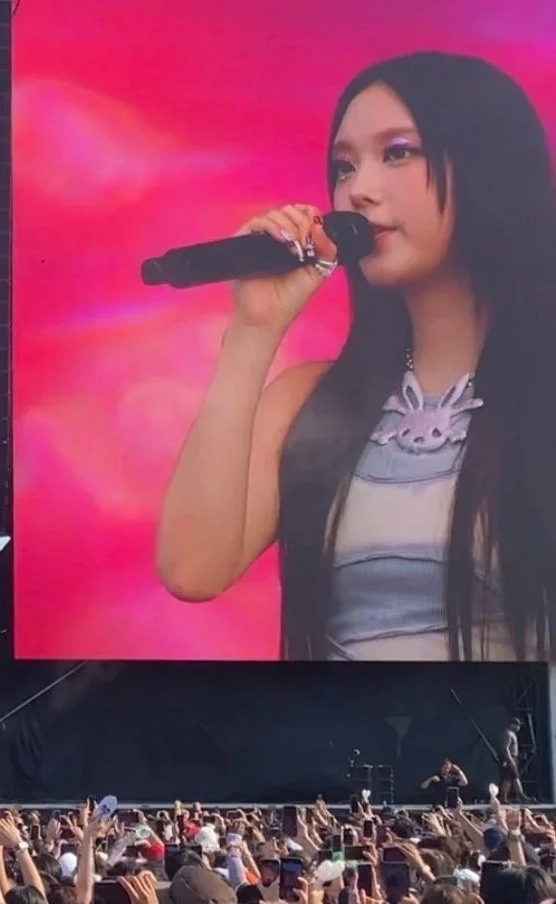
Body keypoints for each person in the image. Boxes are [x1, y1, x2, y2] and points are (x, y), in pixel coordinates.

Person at [158, 51, 556, 661]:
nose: (358, 191)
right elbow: (192, 569)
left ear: (486, 167)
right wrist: (254, 329)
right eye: (344, 167)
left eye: (397, 152)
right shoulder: (312, 402)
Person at [499, 717, 528, 803]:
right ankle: (521, 795)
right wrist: (510, 759)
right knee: (515, 777)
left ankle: (503, 797)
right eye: (517, 725)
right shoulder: (508, 734)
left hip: (513, 758)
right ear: (512, 724)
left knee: (508, 779)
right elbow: (506, 747)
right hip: (510, 759)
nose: (518, 727)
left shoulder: (513, 734)